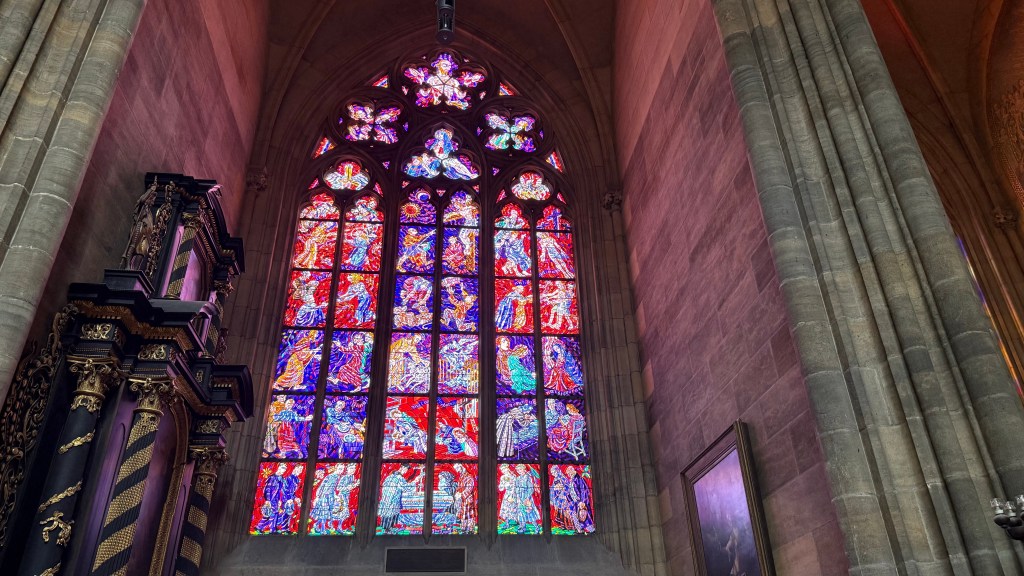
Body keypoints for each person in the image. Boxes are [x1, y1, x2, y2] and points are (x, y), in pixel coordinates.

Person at [255, 464, 303, 533]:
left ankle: (259, 527)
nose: (283, 471)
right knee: (273, 513)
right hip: (271, 498)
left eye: (284, 469)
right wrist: (268, 500)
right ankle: (272, 530)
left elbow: (282, 490)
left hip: (277, 499)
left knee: (271, 513)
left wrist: (282, 499)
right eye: (282, 468)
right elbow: (267, 489)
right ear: (278, 468)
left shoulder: (282, 478)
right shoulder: (272, 478)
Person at [498, 464, 540, 532]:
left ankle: (536, 527)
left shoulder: (527, 477)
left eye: (520, 469)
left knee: (529, 512)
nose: (519, 471)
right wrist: (516, 496)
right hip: (519, 497)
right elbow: (516, 488)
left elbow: (531, 489)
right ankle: (522, 527)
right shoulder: (518, 478)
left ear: (524, 469)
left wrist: (527, 498)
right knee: (520, 512)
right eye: (518, 470)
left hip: (526, 497)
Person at [378, 465, 413, 533]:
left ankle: (385, 528)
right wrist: (414, 482)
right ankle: (389, 529)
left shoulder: (389, 477)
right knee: (392, 514)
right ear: (402, 467)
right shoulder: (399, 477)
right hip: (393, 500)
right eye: (406, 469)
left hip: (386, 499)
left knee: (386, 514)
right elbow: (406, 487)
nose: (405, 472)